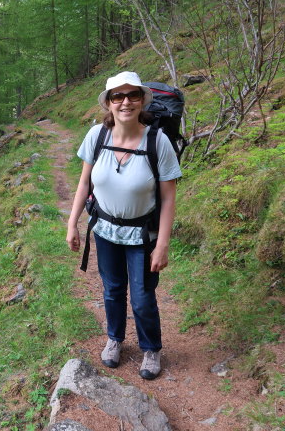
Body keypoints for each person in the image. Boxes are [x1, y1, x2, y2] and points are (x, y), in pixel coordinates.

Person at [66, 71, 181, 380]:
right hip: (104, 230)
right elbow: (83, 182)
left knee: (142, 297)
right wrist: (72, 222)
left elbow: (169, 197)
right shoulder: (97, 136)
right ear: (109, 103)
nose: (125, 102)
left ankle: (151, 348)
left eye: (132, 95)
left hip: (143, 234)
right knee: (113, 289)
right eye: (118, 96)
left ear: (143, 100)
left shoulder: (158, 142)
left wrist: (163, 244)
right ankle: (115, 339)